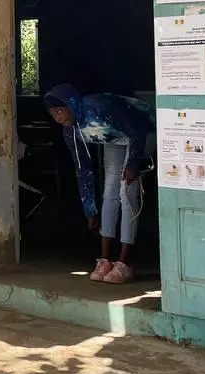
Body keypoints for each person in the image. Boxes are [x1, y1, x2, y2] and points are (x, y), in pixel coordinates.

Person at [43, 83, 154, 285]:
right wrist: (89, 210)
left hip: (142, 129)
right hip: (115, 137)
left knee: (126, 191)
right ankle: (104, 259)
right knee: (109, 191)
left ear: (71, 104)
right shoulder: (70, 130)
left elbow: (137, 128)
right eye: (52, 114)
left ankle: (124, 261)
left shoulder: (98, 108)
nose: (57, 117)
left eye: (59, 110)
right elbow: (82, 169)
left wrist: (132, 164)